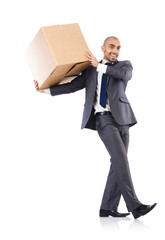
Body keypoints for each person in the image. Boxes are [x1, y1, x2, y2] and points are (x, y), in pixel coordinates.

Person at [34, 36, 156, 219]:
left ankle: (107, 207)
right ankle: (135, 206)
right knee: (121, 161)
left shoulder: (125, 65)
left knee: (117, 163)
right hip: (103, 120)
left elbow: (124, 76)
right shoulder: (91, 70)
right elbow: (72, 86)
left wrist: (100, 66)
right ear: (103, 48)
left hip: (124, 120)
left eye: (118, 48)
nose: (115, 50)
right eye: (112, 47)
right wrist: (45, 90)